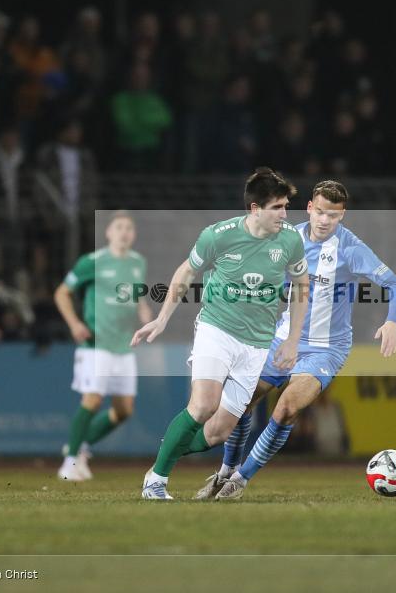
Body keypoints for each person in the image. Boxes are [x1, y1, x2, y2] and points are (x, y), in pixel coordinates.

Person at [193, 180, 396, 500]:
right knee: (241, 401)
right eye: (320, 212)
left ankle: (240, 480)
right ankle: (224, 472)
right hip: (282, 339)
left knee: (287, 407)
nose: (324, 221)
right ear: (309, 208)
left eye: (333, 216)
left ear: (342, 216)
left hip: (326, 349)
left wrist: (392, 321)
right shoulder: (286, 238)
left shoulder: (350, 249)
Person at [132, 167, 309, 500]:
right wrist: (162, 319)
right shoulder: (218, 235)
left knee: (218, 432)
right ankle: (156, 480)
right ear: (255, 209)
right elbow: (186, 272)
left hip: (257, 343)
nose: (284, 215)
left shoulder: (289, 240)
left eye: (286, 206)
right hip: (217, 329)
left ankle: (166, 451)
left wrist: (292, 339)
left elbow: (302, 285)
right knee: (203, 406)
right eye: (277, 207)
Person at [54, 211, 153, 481]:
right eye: (118, 227)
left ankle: (79, 445)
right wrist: (74, 324)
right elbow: (62, 292)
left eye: (129, 228)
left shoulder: (137, 263)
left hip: (123, 345)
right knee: (93, 398)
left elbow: (138, 297)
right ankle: (70, 463)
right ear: (108, 232)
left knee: (123, 411)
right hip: (95, 343)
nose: (124, 232)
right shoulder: (91, 262)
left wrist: (145, 312)